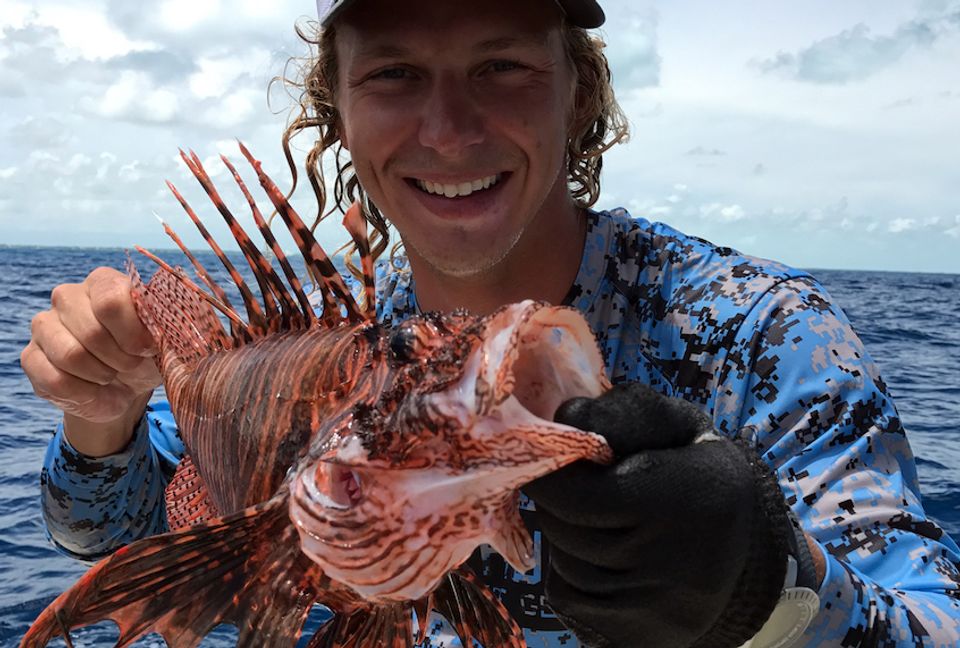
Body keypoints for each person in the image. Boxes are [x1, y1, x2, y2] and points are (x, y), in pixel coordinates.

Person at [20, 0, 960, 646]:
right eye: (393, 73)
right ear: (337, 112)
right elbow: (112, 537)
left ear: (578, 91)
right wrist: (98, 418)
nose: (449, 128)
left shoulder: (763, 333)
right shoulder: (327, 351)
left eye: (501, 65)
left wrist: (766, 591)